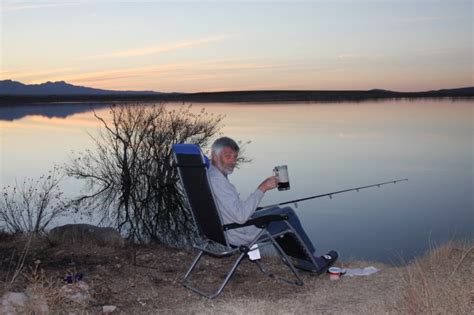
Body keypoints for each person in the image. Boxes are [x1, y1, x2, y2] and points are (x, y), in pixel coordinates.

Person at [207, 136, 337, 273]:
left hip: (224, 229)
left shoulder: (210, 175)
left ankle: (298, 259)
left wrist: (254, 207)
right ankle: (311, 262)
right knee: (286, 214)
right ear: (215, 156)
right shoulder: (218, 182)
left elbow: (231, 208)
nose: (233, 161)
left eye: (235, 157)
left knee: (275, 211)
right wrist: (262, 188)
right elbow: (240, 217)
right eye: (228, 156)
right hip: (237, 233)